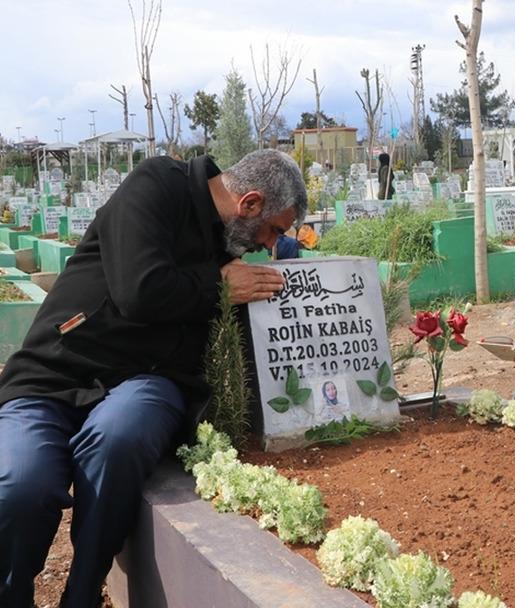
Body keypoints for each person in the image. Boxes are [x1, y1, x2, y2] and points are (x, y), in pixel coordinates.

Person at [0, 149, 307, 608]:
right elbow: (139, 291)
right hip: (54, 372)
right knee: (22, 485)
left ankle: (82, 593)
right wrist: (217, 286)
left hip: (148, 380)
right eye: (274, 230)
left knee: (117, 440)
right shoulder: (159, 185)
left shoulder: (234, 245)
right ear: (250, 203)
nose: (269, 246)